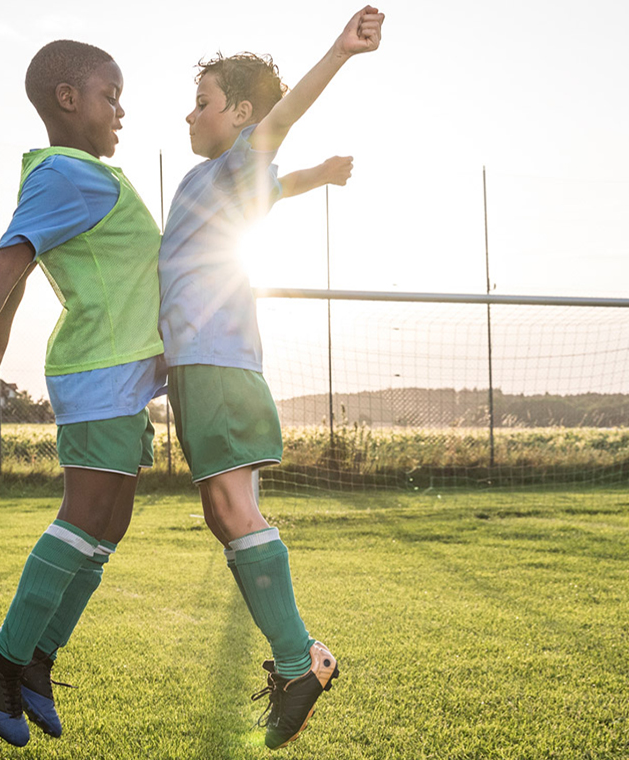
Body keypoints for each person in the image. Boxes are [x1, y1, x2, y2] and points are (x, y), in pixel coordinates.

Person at [0, 39, 165, 748]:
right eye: (110, 95)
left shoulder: (77, 175)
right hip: (102, 371)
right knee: (85, 515)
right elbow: (10, 255)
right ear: (68, 98)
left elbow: (27, 263)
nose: (120, 110)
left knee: (108, 524)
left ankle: (36, 661)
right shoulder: (68, 173)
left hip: (118, 374)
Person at [159, 5, 384, 749]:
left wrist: (340, 51)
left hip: (218, 366)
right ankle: (297, 663)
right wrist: (313, 180)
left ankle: (303, 660)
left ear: (242, 114)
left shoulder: (240, 155)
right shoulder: (217, 177)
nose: (191, 113)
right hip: (210, 368)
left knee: (231, 510)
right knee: (226, 516)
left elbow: (279, 126)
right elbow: (268, 181)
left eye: (204, 102)